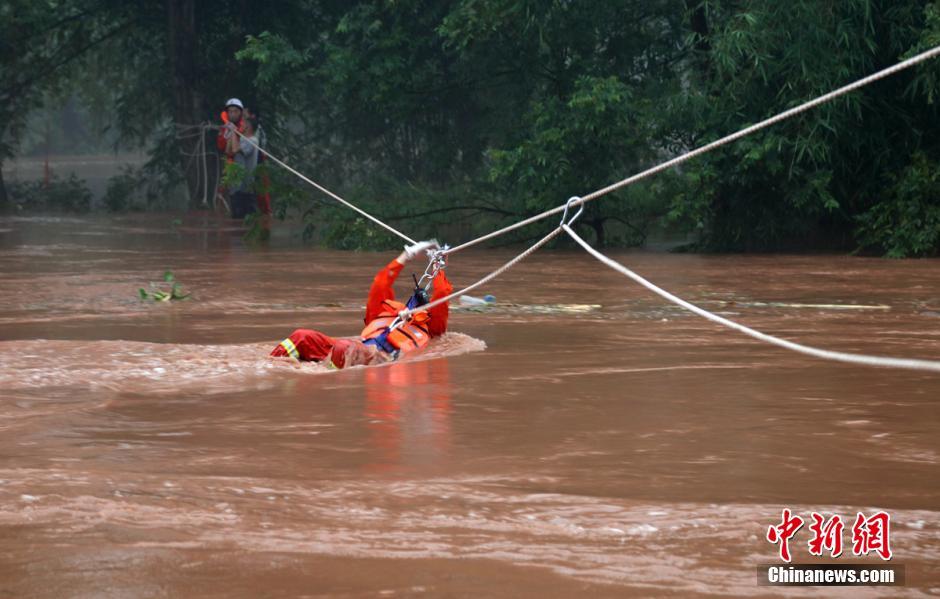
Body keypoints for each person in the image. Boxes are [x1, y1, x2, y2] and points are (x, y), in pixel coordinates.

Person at [271, 241, 452, 369]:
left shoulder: (431, 328)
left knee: (343, 348)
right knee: (302, 336)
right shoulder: (385, 312)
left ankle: (325, 374)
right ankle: (273, 367)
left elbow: (442, 296)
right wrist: (406, 255)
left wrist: (440, 266)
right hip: (358, 351)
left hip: (374, 357)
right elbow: (381, 283)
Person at [226, 112, 261, 219]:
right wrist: (232, 133)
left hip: (245, 188)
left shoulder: (252, 140)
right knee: (236, 218)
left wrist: (233, 132)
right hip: (236, 187)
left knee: (247, 219)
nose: (241, 124)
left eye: (244, 123)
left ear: (248, 126)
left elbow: (236, 149)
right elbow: (229, 151)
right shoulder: (241, 139)